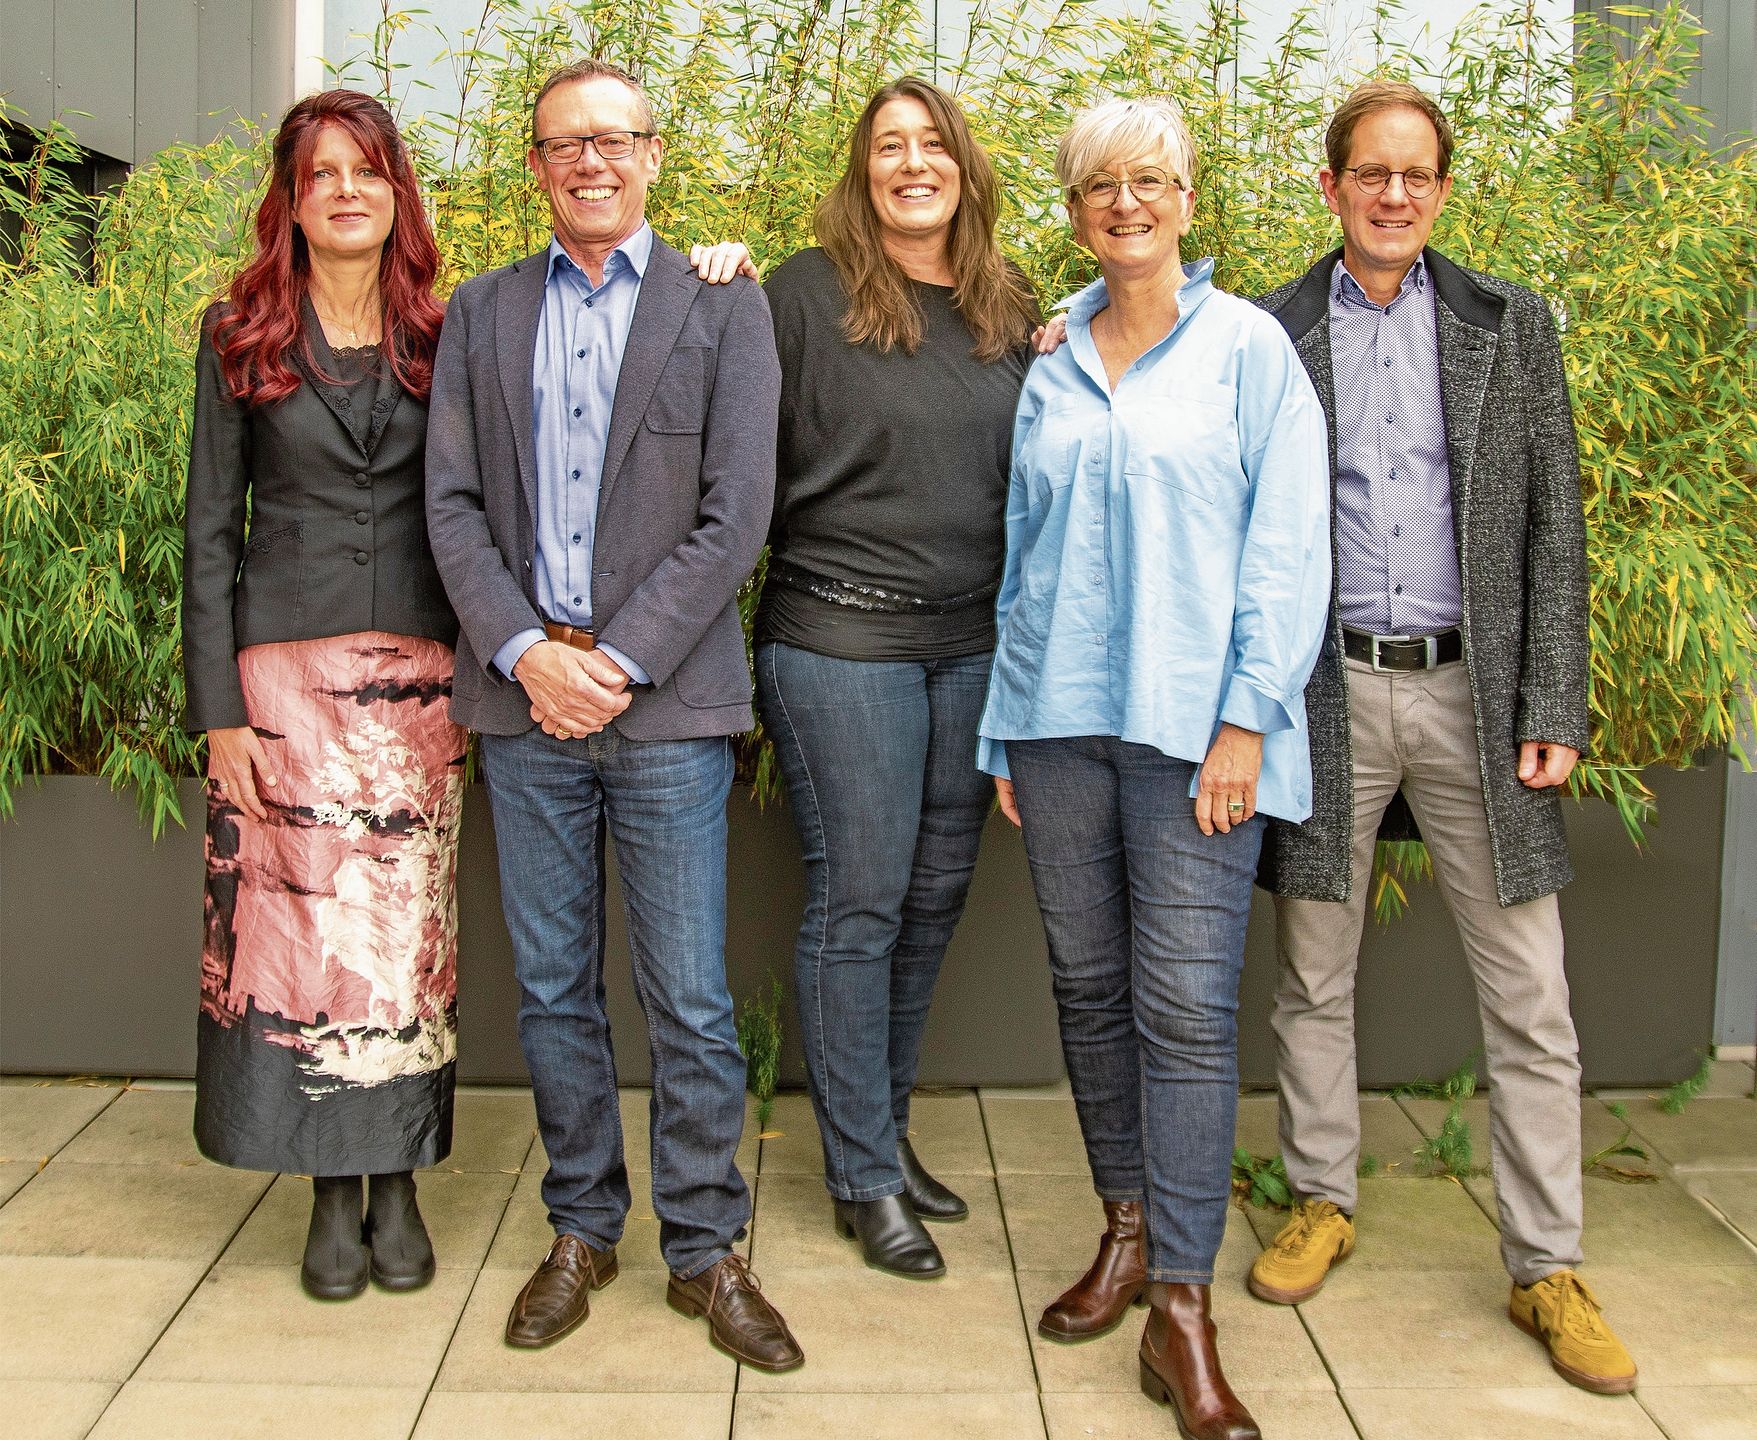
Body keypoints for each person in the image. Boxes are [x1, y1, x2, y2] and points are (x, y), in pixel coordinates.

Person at [1248, 80, 1637, 1396]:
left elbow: (1554, 526)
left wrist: (1553, 704)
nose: (1395, 193)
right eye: (1372, 173)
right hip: (1328, 694)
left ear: (1442, 190)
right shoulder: (1274, 329)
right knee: (1314, 970)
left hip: (1479, 700)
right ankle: (1320, 1197)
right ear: (1332, 187)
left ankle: (1546, 1265)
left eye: (1418, 174)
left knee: (1530, 994)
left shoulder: (1507, 324)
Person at [424, 58, 800, 1370]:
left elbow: (734, 517)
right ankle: (581, 1226)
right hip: (525, 706)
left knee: (689, 996)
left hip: (665, 705)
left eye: (614, 138)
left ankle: (704, 1250)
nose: (590, 159)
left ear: (651, 154)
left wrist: (617, 661)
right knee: (552, 990)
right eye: (563, 142)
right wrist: (530, 652)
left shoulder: (722, 307)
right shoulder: (479, 314)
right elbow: (453, 510)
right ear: (533, 165)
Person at [979, 97, 1330, 1439]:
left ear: (1187, 201)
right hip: (1059, 727)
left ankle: (1182, 1302)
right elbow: (1026, 557)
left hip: (1197, 740)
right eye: (1096, 187)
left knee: (1184, 1011)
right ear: (1072, 212)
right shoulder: (1052, 360)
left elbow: (1286, 549)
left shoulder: (1249, 354)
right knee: (1086, 987)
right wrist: (1003, 726)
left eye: (1149, 182)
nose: (1123, 204)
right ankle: (1124, 1229)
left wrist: (1248, 719)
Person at [753, 76, 1038, 1278]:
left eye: (931, 146)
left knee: (929, 902)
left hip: (969, 648)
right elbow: (727, 467)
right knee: (861, 900)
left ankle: (886, 1133)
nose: (910, 163)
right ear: (861, 171)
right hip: (838, 642)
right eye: (887, 147)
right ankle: (860, 1171)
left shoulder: (1008, 305)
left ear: (963, 168)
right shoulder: (798, 297)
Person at [181, 89, 461, 1301]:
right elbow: (206, 535)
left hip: (418, 689)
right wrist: (216, 710)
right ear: (290, 202)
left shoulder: (450, 335)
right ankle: (326, 1191)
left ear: (396, 193)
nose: (344, 190)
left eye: (366, 171)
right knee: (297, 939)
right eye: (319, 174)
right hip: (283, 685)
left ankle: (395, 1176)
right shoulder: (237, 331)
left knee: (402, 936)